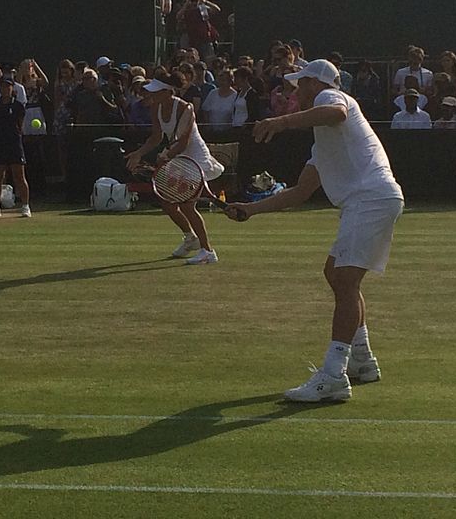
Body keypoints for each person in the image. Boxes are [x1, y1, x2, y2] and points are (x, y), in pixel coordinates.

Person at [224, 59, 404, 402]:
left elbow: (334, 113)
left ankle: (334, 376)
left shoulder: (333, 99)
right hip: (367, 201)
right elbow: (298, 193)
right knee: (336, 274)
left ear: (314, 83)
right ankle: (362, 361)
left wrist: (281, 121)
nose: (294, 91)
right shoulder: (322, 144)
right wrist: (250, 210)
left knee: (346, 280)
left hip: (371, 198)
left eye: (299, 84)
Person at [124, 73, 224, 265]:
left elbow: (184, 141)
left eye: (155, 91)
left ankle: (208, 251)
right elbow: (155, 137)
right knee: (168, 202)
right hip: (178, 156)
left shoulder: (186, 108)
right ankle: (190, 238)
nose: (149, 95)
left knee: (187, 205)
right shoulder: (156, 107)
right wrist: (138, 153)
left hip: (196, 156)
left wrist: (166, 155)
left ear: (168, 92)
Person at [0, 76, 31, 218]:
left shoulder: (18, 106)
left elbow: (20, 124)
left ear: (12, 88)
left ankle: (25, 206)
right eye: (3, 86)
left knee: (19, 176)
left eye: (8, 86)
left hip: (14, 144)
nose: (5, 89)